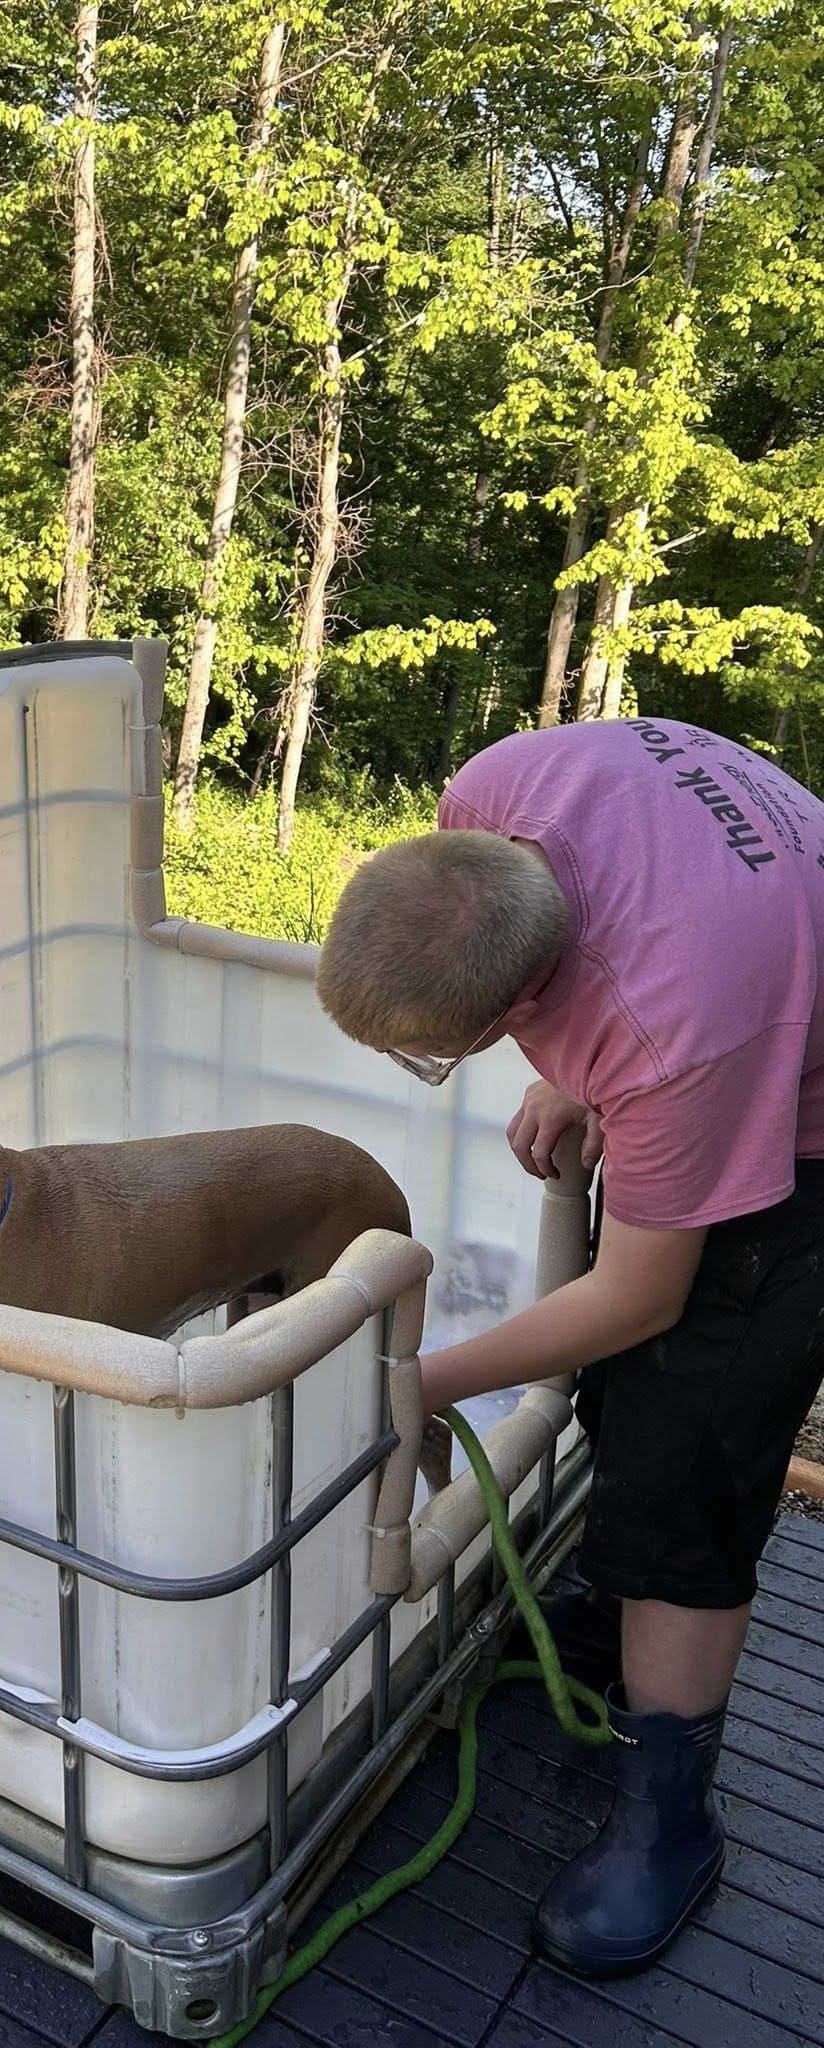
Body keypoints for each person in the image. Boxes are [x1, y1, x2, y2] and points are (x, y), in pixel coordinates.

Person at [316, 714, 824, 1979]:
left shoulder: (675, 1033)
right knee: (621, 1404)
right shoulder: (497, 786)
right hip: (739, 977)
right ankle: (610, 1624)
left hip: (808, 1127)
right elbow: (636, 944)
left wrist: (415, 1378)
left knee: (688, 1468)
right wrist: (587, 1079)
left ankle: (672, 1809)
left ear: (514, 1006)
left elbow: (645, 1296)